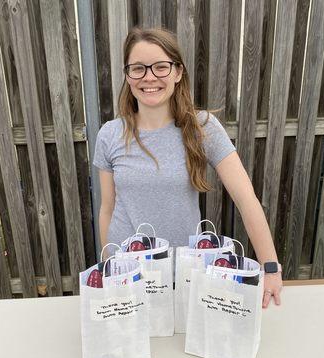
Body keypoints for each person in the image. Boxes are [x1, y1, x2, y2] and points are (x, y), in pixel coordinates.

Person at [93, 28, 282, 308]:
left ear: (178, 72)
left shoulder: (203, 128)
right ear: (127, 74)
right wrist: (110, 269)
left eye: (161, 67)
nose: (149, 77)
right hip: (128, 282)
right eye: (138, 68)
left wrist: (270, 266)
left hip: (185, 280)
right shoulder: (110, 134)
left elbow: (245, 199)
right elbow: (107, 209)